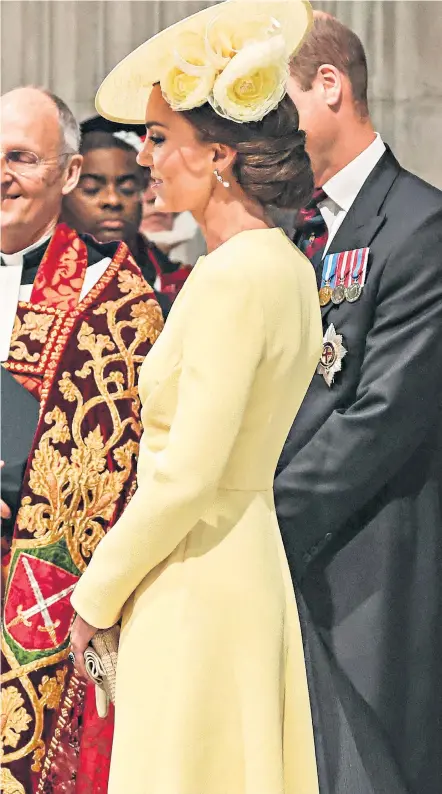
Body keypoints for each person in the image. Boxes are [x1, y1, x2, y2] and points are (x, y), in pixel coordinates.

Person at [69, 1, 323, 792]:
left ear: (217, 155)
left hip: (198, 577)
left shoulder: (230, 279)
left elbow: (186, 472)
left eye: (159, 139)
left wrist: (95, 592)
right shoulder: (282, 265)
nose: (145, 160)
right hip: (241, 559)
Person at [274, 12, 442, 794]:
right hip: (292, 574)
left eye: (275, 107)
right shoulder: (292, 232)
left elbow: (379, 420)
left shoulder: (420, 226)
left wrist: (255, 521)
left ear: (330, 86)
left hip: (367, 572)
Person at [0, 86, 164, 794]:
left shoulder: (117, 300)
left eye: (21, 158)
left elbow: (138, 468)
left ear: (66, 174)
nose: (1, 173)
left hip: (39, 598)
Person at [61, 119, 175, 315]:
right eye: (91, 189)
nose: (113, 200)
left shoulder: (178, 280)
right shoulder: (31, 279)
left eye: (127, 188)